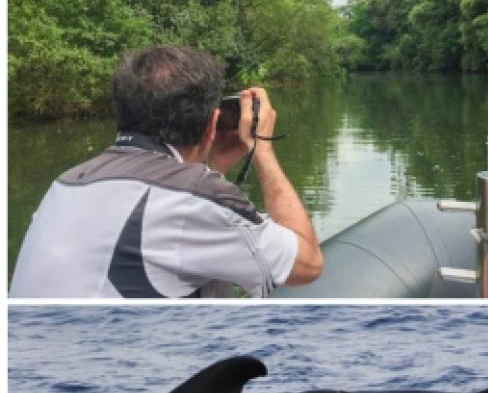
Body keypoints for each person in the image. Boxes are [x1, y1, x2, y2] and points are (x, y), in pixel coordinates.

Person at [11, 46, 322, 298]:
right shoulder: (194, 198)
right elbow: (307, 264)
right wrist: (262, 148)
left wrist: (212, 167)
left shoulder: (67, 182)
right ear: (211, 125)